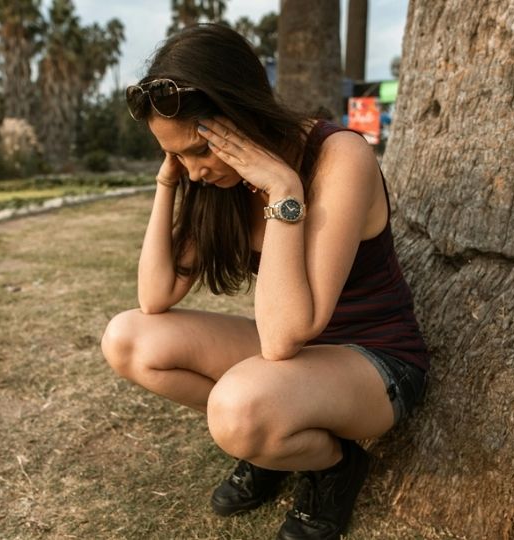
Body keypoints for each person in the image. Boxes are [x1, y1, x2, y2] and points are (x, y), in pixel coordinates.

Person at [101, 23, 429, 540]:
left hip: (373, 360)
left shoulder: (339, 156)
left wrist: (282, 188)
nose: (194, 171)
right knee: (128, 338)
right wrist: (166, 184)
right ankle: (273, 445)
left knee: (238, 411)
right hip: (294, 360)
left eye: (199, 151)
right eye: (177, 154)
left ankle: (332, 467)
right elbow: (155, 295)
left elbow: (283, 337)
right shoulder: (213, 178)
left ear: (241, 114)